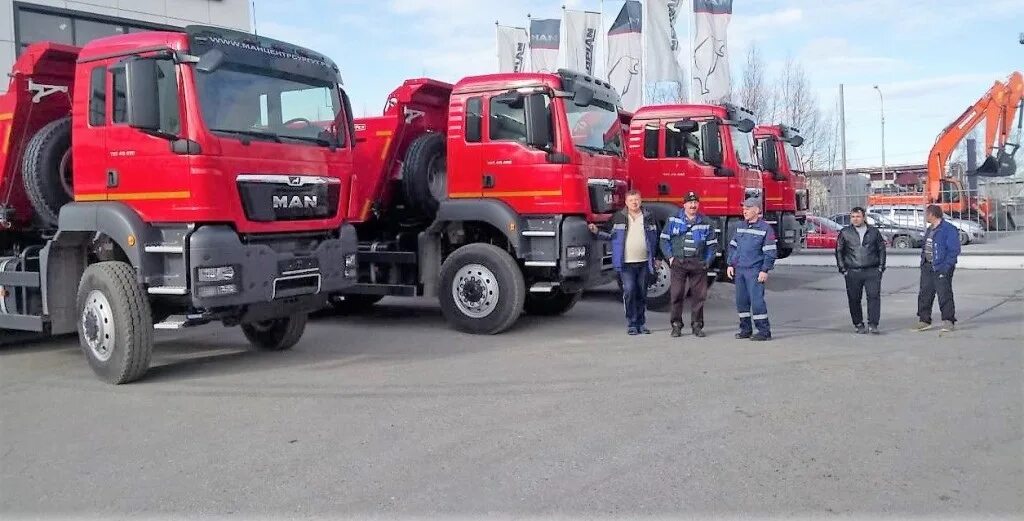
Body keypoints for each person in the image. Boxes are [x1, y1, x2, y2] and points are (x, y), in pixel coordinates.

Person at [589, 190, 660, 335]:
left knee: (641, 293)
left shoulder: (649, 217)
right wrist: (596, 231)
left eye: (637, 200)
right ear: (626, 203)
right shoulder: (618, 217)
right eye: (631, 200)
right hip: (626, 263)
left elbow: (657, 238)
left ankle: (641, 323)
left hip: (644, 263)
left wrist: (657, 258)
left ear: (641, 201)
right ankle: (632, 324)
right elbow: (609, 235)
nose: (634, 202)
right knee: (629, 291)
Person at [660, 191, 718, 338]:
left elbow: (712, 245)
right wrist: (670, 257)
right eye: (690, 203)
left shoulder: (706, 222)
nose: (693, 205)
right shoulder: (673, 219)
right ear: (684, 204)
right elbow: (664, 239)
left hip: (698, 263)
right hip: (679, 262)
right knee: (677, 294)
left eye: (695, 203)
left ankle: (697, 326)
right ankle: (676, 325)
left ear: (698, 204)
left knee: (699, 296)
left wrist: (707, 262)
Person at [726, 197, 777, 341]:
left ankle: (764, 331)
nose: (744, 211)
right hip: (740, 270)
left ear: (756, 210)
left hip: (755, 270)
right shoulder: (740, 226)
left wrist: (764, 270)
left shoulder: (765, 229)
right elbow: (734, 247)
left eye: (748, 208)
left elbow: (770, 252)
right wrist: (731, 264)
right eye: (743, 208)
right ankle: (745, 329)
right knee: (741, 301)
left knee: (757, 302)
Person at [834, 206, 887, 334]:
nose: (855, 219)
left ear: (864, 217)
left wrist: (881, 267)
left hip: (872, 270)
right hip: (852, 271)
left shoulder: (873, 232)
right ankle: (858, 324)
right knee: (854, 299)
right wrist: (843, 269)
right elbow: (839, 251)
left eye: (858, 216)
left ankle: (873, 324)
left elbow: (881, 249)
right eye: (853, 217)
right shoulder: (845, 232)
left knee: (874, 297)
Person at [915, 204, 961, 332]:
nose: (925, 217)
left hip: (941, 267)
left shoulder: (948, 229)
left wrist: (946, 267)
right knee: (925, 293)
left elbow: (954, 250)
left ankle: (948, 320)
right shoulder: (930, 229)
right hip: (927, 266)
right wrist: (923, 262)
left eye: (926, 214)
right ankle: (924, 320)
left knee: (944, 293)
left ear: (932, 215)